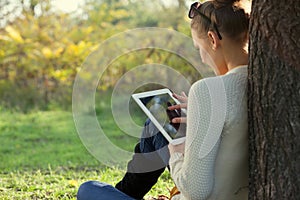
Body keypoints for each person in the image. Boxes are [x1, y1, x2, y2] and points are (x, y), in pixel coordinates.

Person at [77, 0, 250, 199]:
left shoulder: (208, 91)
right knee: (157, 124)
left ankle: (124, 194)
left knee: (89, 189)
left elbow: (196, 190)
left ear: (212, 39)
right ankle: (124, 193)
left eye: (198, 48)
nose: (202, 58)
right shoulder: (262, 82)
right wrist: (197, 115)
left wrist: (176, 152)